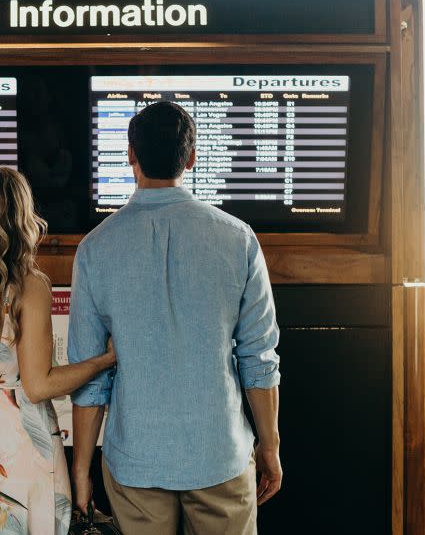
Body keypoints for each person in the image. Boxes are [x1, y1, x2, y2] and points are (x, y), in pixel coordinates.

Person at [68, 102, 283, 535]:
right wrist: (270, 446)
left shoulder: (95, 248)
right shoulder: (238, 239)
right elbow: (259, 359)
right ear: (191, 158)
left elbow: (89, 378)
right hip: (219, 455)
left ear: (131, 155)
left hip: (136, 462)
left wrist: (81, 469)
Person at [0, 166, 116, 535]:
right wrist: (104, 360)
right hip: (19, 443)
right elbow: (38, 386)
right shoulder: (30, 286)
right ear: (21, 216)